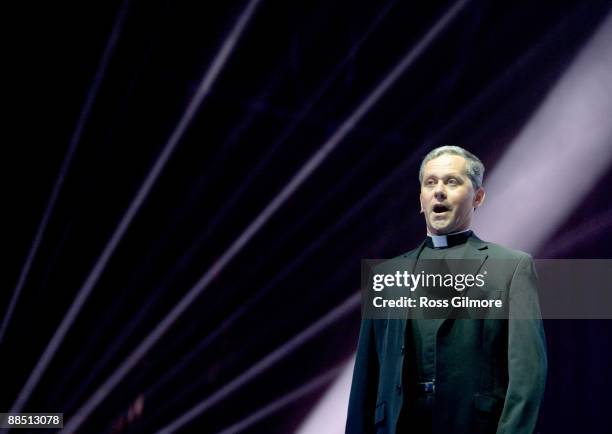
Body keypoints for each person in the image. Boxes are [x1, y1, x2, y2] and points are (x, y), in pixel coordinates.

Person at [346, 146, 547, 434]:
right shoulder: (385, 276)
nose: (438, 191)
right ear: (420, 199)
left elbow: (528, 375)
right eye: (430, 182)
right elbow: (366, 380)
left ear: (478, 197)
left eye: (452, 182)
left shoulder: (512, 267)